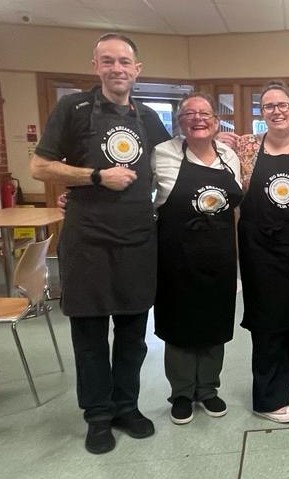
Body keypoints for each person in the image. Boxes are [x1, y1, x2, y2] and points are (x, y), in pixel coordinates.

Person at [30, 33, 170, 454]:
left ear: (137, 69)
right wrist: (92, 176)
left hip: (137, 239)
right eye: (108, 61)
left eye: (125, 61)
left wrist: (224, 148)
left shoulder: (147, 117)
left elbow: (172, 164)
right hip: (88, 240)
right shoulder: (71, 109)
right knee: (90, 336)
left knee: (132, 333)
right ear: (96, 65)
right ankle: (97, 416)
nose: (117, 68)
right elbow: (38, 165)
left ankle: (127, 406)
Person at [151, 92, 243, 425]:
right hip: (176, 255)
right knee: (179, 324)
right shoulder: (162, 154)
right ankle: (181, 392)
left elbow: (235, 209)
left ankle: (208, 389)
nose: (198, 118)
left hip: (218, 254)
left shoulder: (229, 156)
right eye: (190, 113)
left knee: (214, 323)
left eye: (205, 113)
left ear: (217, 122)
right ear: (180, 122)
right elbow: (137, 196)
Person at [235, 80, 289, 423]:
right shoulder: (245, 148)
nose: (277, 111)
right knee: (268, 319)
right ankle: (267, 399)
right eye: (269, 106)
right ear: (261, 113)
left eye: (283, 105)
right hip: (259, 248)